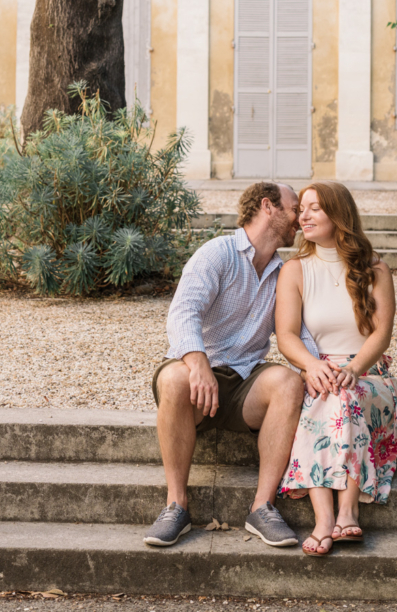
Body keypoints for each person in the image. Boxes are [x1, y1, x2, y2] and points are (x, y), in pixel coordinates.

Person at [143, 181, 312, 549]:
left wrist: (326, 368)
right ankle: (176, 506)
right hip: (196, 381)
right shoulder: (217, 253)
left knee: (288, 382)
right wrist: (198, 361)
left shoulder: (285, 273)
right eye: (295, 208)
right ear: (268, 206)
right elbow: (183, 311)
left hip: (246, 384)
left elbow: (300, 332)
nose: (300, 218)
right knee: (173, 379)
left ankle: (262, 508)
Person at [274, 181, 397, 556]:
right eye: (302, 208)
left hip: (369, 376)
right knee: (326, 394)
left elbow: (382, 334)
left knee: (341, 394)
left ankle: (342, 512)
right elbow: (286, 335)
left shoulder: (375, 270)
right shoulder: (295, 271)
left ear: (339, 215)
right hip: (317, 370)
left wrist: (356, 368)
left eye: (316, 208)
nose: (304, 215)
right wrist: (313, 366)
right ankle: (332, 518)